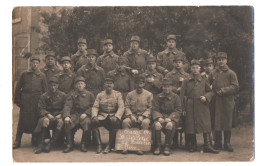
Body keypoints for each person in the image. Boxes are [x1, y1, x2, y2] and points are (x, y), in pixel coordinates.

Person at [180, 60, 218, 154]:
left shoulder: (204, 79)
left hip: (202, 104)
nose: (195, 69)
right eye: (193, 68)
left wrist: (205, 97)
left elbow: (210, 92)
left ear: (200, 69)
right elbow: (181, 95)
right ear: (190, 69)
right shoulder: (186, 80)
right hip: (190, 105)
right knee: (191, 124)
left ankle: (207, 145)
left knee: (205, 124)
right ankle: (193, 144)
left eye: (197, 67)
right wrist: (183, 108)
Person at [13, 55, 48, 149]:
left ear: (39, 64)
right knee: (22, 121)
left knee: (35, 121)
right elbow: (18, 88)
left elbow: (45, 91)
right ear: (30, 63)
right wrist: (18, 100)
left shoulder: (42, 75)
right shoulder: (24, 74)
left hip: (37, 101)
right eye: (33, 63)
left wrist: (43, 103)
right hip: (26, 101)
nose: (35, 65)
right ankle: (17, 140)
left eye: (37, 63)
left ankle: (34, 139)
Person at [208, 52, 239, 152]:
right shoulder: (213, 73)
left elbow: (235, 87)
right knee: (216, 121)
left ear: (226, 60)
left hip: (227, 101)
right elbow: (208, 86)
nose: (221, 61)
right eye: (219, 59)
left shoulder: (231, 73)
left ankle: (227, 143)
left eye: (223, 59)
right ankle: (217, 142)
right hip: (215, 101)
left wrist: (223, 90)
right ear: (216, 61)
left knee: (227, 121)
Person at [91, 76, 124, 154]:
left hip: (113, 115)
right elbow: (95, 106)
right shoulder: (100, 95)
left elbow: (121, 107)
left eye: (110, 83)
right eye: (107, 83)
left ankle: (109, 145)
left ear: (113, 85)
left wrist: (117, 116)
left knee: (115, 123)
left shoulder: (118, 94)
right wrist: (94, 116)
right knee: (93, 122)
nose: (109, 85)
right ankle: (99, 145)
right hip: (102, 115)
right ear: (104, 85)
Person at [62, 77, 95, 153]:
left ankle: (84, 144)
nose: (80, 85)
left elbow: (93, 106)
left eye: (82, 84)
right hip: (75, 114)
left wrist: (86, 113)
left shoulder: (90, 94)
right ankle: (69, 144)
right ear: (76, 85)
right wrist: (67, 115)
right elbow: (67, 106)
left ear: (85, 85)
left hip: (85, 114)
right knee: (68, 122)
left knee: (87, 123)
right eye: (78, 84)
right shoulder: (72, 94)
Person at [34, 76, 66, 154]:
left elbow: (66, 107)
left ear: (58, 86)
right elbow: (40, 108)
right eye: (51, 85)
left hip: (58, 115)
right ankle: (41, 144)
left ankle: (51, 144)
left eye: (55, 85)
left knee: (61, 122)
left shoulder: (63, 95)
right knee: (45, 120)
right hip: (48, 115)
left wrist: (61, 114)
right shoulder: (44, 96)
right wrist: (47, 114)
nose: (53, 87)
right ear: (49, 86)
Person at [122, 75, 153, 155]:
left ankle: (141, 147)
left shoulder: (149, 94)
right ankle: (126, 145)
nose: (139, 85)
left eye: (141, 83)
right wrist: (131, 115)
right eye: (137, 83)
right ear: (135, 84)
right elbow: (126, 106)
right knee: (125, 122)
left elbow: (150, 108)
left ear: (144, 84)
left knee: (145, 123)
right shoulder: (130, 94)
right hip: (132, 116)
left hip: (144, 116)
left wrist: (143, 116)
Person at [164, 54, 190, 148]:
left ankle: (188, 142)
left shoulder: (187, 75)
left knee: (186, 118)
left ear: (183, 64)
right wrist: (176, 89)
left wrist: (183, 88)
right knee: (174, 117)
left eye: (180, 62)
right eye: (176, 62)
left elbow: (190, 88)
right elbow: (166, 87)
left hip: (184, 100)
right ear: (173, 63)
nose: (178, 64)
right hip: (172, 100)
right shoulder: (169, 75)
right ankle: (174, 141)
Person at [152, 78, 182, 156]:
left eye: (168, 86)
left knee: (170, 125)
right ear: (162, 87)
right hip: (161, 118)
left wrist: (170, 118)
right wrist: (159, 117)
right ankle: (158, 146)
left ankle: (167, 146)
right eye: (165, 86)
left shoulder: (176, 97)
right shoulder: (158, 97)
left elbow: (178, 110)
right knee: (157, 125)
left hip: (171, 119)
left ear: (171, 87)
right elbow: (155, 109)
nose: (166, 88)